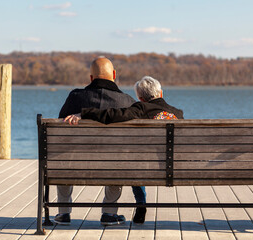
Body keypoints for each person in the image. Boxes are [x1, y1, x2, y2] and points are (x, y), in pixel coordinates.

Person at [55, 57, 147, 226]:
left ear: (91, 78)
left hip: (75, 164)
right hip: (111, 166)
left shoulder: (75, 97)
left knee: (64, 159)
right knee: (118, 159)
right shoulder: (127, 102)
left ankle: (63, 212)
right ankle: (109, 213)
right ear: (114, 74)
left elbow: (60, 132)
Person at [65, 76, 184, 125]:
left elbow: (112, 115)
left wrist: (84, 113)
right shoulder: (179, 114)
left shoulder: (141, 108)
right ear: (161, 93)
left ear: (140, 98)